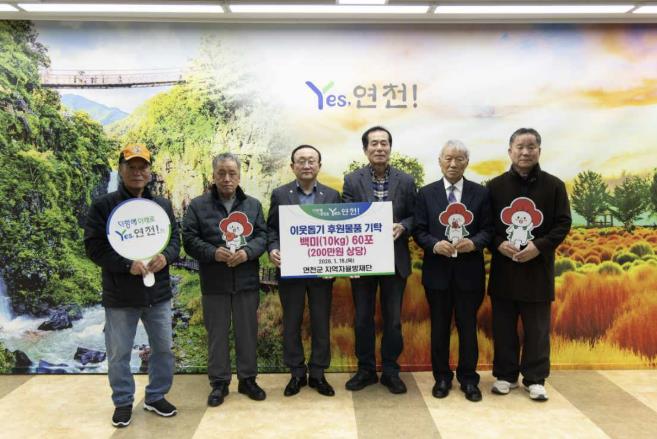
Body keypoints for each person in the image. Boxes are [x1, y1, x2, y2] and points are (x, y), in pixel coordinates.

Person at [84, 143, 180, 428]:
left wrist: (166, 256)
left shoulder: (161, 206)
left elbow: (175, 240)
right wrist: (127, 265)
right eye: (131, 167)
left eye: (143, 167)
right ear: (121, 170)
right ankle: (123, 402)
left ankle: (156, 396)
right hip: (120, 295)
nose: (138, 172)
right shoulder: (103, 206)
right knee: (119, 353)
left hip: (158, 293)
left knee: (163, 348)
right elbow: (94, 248)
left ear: (150, 172)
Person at [487, 128, 571, 402]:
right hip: (505, 269)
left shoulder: (554, 186)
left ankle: (535, 379)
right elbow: (486, 226)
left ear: (539, 151)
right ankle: (505, 375)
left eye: (531, 147)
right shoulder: (494, 186)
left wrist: (539, 246)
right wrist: (499, 243)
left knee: (537, 329)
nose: (525, 152)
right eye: (520, 147)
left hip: (538, 270)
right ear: (509, 151)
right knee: (503, 327)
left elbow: (563, 224)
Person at [182, 152, 267, 407]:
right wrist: (213, 253)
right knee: (217, 334)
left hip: (246, 281)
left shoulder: (253, 205)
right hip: (214, 281)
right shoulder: (198, 206)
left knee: (247, 333)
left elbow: (262, 236)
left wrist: (247, 252)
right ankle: (219, 383)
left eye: (232, 173)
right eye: (222, 173)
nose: (227, 178)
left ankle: (248, 379)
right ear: (213, 176)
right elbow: (189, 239)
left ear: (239, 176)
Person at [413, 140, 493, 402]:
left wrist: (475, 243)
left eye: (459, 159)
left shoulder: (480, 193)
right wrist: (434, 245)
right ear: (440, 161)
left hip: (469, 274)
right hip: (437, 274)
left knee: (468, 327)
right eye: (448, 158)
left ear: (466, 162)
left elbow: (489, 230)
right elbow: (419, 230)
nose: (453, 163)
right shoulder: (426, 193)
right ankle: (442, 378)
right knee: (439, 328)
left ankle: (469, 379)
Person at [342, 126, 416, 394]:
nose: (379, 148)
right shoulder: (352, 180)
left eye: (384, 143)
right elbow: (345, 217)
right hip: (363, 260)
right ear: (365, 150)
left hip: (395, 260)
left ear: (390, 148)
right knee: (363, 318)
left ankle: (391, 371)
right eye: (373, 143)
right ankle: (366, 370)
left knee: (393, 320)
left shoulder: (406, 180)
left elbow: (416, 215)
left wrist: (403, 226)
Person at [267, 144, 341, 397]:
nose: (307, 165)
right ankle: (297, 373)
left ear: (319, 165)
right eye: (301, 161)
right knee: (291, 322)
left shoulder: (332, 196)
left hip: (322, 273)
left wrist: (338, 262)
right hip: (291, 271)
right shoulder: (280, 194)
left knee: (321, 323)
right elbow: (272, 230)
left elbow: (338, 233)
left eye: (312, 161)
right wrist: (273, 249)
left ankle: (318, 373)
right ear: (292, 166)